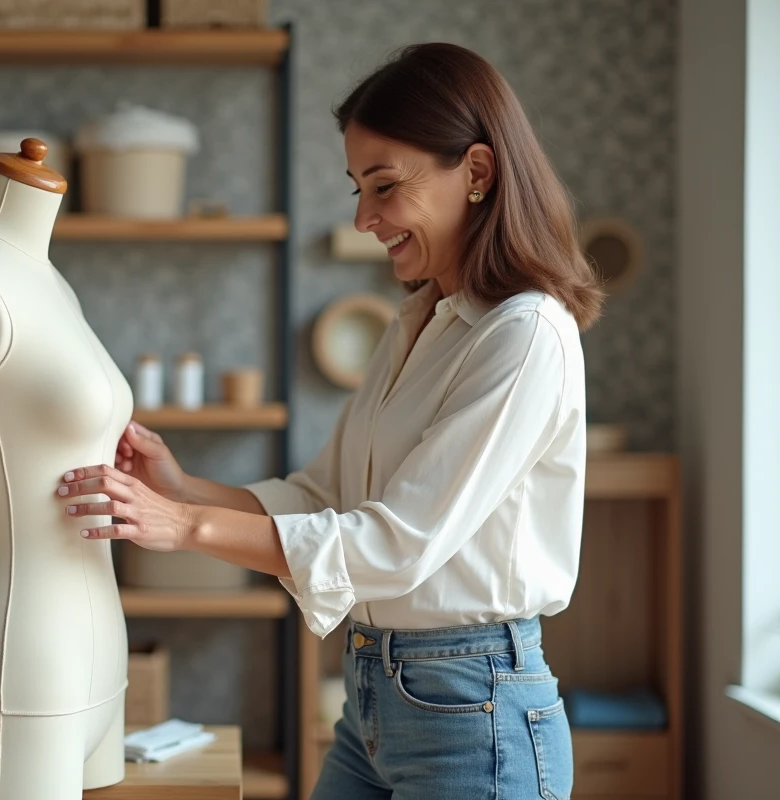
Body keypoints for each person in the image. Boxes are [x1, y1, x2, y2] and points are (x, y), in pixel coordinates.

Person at [56, 41, 602, 799]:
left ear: (476, 172)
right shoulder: (414, 324)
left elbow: (394, 544)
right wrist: (184, 489)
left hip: (474, 709)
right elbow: (323, 500)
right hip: (377, 698)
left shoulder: (526, 334)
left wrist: (182, 528)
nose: (364, 216)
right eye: (357, 187)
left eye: (384, 186)